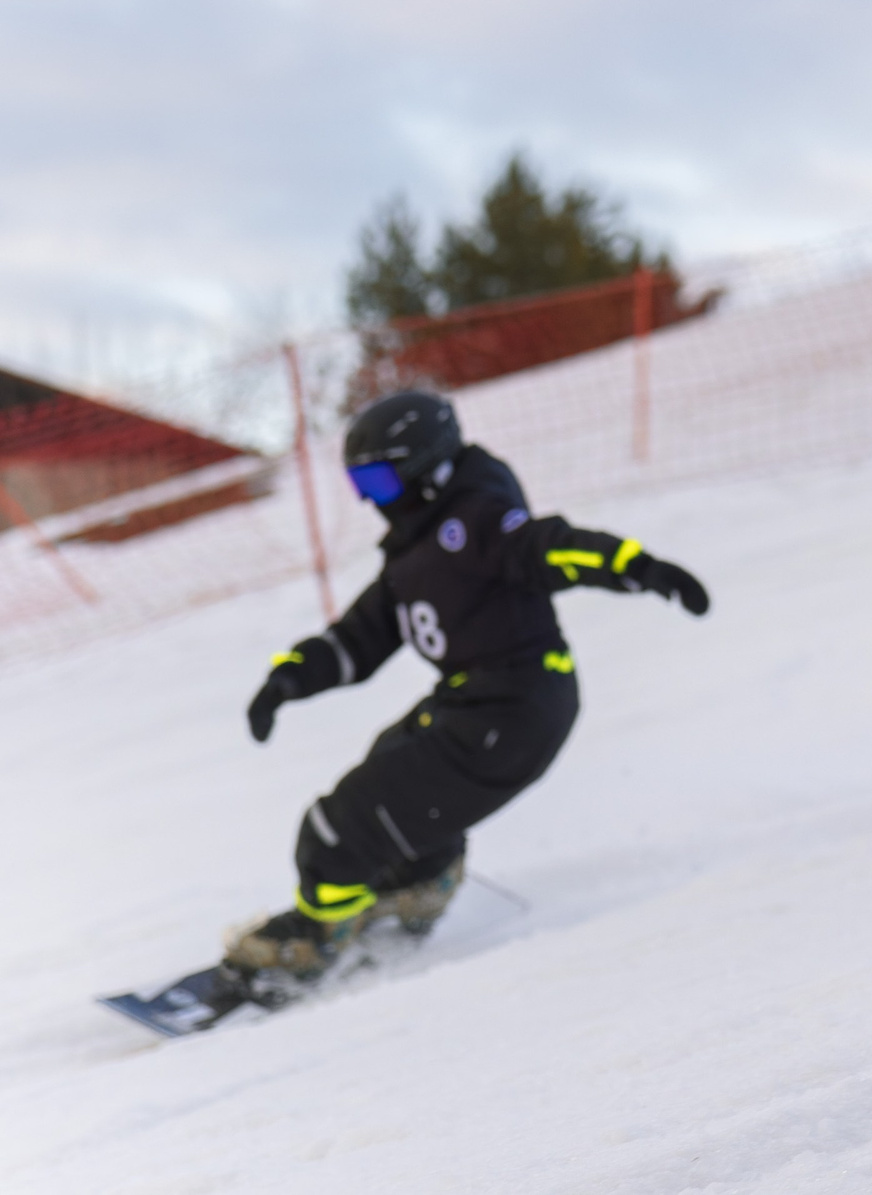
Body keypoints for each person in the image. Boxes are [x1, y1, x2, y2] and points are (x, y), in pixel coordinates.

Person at [223, 389, 710, 981]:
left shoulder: (474, 522)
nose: (372, 502)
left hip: (515, 710)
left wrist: (637, 566)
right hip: (479, 702)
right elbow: (360, 637)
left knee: (336, 825)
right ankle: (418, 883)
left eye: (379, 483)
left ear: (424, 466)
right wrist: (287, 678)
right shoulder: (415, 549)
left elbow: (550, 549)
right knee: (391, 761)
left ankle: (314, 938)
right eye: (362, 488)